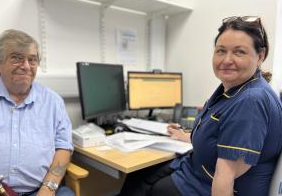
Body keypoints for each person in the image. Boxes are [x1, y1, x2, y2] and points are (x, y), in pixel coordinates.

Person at [118, 16, 282, 196]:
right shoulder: (234, 89)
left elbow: (224, 178)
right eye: (220, 51)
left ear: (260, 56)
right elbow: (221, 137)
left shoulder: (250, 101)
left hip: (205, 186)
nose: (227, 60)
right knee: (136, 176)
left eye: (239, 52)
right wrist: (188, 136)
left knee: (150, 188)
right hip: (195, 169)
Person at [0, 29, 75, 196]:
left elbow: (63, 148)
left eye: (32, 60)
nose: (26, 66)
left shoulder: (53, 102)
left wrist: (48, 188)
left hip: (40, 190)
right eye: (16, 58)